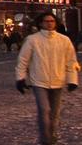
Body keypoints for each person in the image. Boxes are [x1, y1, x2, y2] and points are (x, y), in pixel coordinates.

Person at [15, 12, 79, 145]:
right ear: (41, 23)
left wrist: (72, 80)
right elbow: (23, 60)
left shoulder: (64, 40)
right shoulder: (32, 40)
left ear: (56, 23)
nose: (49, 24)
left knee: (54, 114)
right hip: (39, 81)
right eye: (47, 21)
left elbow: (71, 61)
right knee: (44, 110)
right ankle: (46, 140)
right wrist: (20, 79)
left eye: (52, 21)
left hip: (58, 80)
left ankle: (52, 138)